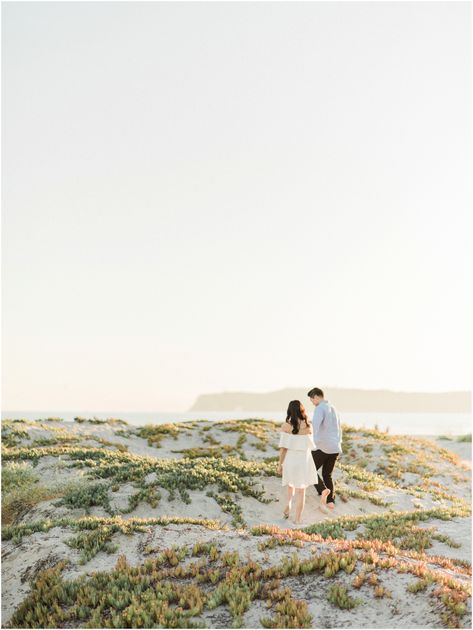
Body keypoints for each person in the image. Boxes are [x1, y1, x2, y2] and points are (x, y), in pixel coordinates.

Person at [277, 400, 319, 524]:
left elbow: (283, 449)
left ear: (289, 411)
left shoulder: (285, 426)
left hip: (291, 459)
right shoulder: (308, 426)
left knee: (290, 485)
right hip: (304, 460)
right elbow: (311, 444)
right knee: (302, 491)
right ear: (302, 410)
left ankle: (289, 504)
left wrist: (280, 465)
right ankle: (297, 520)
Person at [307, 387, 343, 511]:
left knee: (309, 469)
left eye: (312, 399)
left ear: (316, 396)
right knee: (327, 475)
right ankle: (330, 501)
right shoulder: (334, 408)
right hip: (335, 447)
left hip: (323, 446)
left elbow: (315, 427)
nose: (312, 402)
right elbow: (339, 429)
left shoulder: (320, 408)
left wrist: (312, 443)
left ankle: (323, 490)